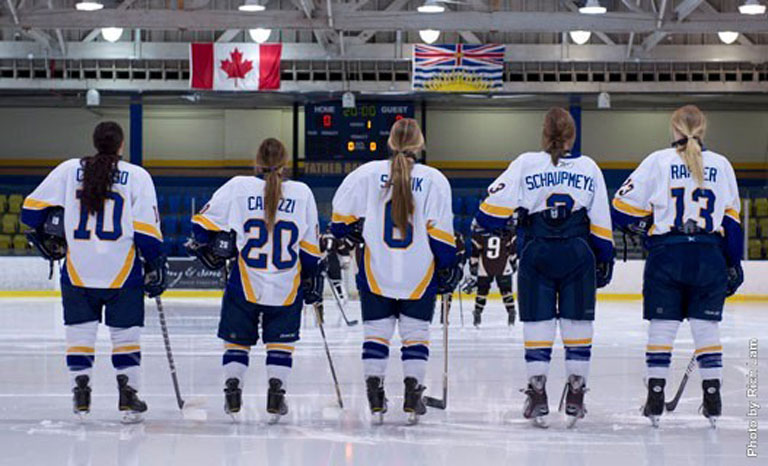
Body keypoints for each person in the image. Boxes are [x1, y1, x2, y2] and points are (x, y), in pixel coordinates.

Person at [473, 108, 614, 428]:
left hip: (537, 250)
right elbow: (602, 221)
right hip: (578, 253)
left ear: (543, 133)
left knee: (538, 324)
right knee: (578, 324)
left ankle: (537, 393)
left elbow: (488, 213)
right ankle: (576, 392)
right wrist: (605, 258)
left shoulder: (525, 164)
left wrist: (507, 220)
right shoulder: (588, 167)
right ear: (572, 135)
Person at [21, 121, 167, 423]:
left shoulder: (68, 170)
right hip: (122, 272)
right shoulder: (137, 176)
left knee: (79, 333)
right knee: (125, 336)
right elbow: (147, 235)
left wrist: (46, 233)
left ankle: (81, 392)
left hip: (77, 270)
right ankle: (128, 396)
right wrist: (156, 265)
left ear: (95, 142)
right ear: (121, 145)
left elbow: (29, 211)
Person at [611, 105, 743, 428]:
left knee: (662, 328)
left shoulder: (657, 161)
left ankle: (655, 395)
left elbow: (620, 208)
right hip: (708, 256)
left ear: (673, 130)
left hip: (667, 255)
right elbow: (732, 222)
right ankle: (712, 397)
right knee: (706, 330)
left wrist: (646, 228)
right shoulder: (722, 165)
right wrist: (733, 264)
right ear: (703, 129)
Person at [331, 118, 462, 424]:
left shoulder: (365, 174)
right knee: (415, 334)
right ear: (420, 145)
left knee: (376, 334)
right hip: (419, 273)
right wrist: (448, 268)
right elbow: (442, 237)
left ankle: (375, 395)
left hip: (376, 270)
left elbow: (339, 222)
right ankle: (412, 395)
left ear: (389, 143)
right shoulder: (434, 180)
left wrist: (357, 227)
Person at [187, 138, 323, 424]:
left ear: (256, 162)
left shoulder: (238, 187)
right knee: (280, 345)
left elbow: (201, 224)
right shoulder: (302, 192)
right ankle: (276, 393)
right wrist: (312, 278)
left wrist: (209, 246)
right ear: (285, 164)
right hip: (286, 286)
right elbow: (310, 250)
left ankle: (233, 389)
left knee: (237, 343)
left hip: (244, 283)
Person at [463, 222, 518, 327]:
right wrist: (513, 262)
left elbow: (475, 251)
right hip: (503, 264)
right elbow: (512, 250)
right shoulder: (507, 231)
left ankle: (478, 312)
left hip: (485, 265)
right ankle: (511, 311)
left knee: (482, 291)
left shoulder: (479, 233)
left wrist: (473, 265)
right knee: (506, 290)